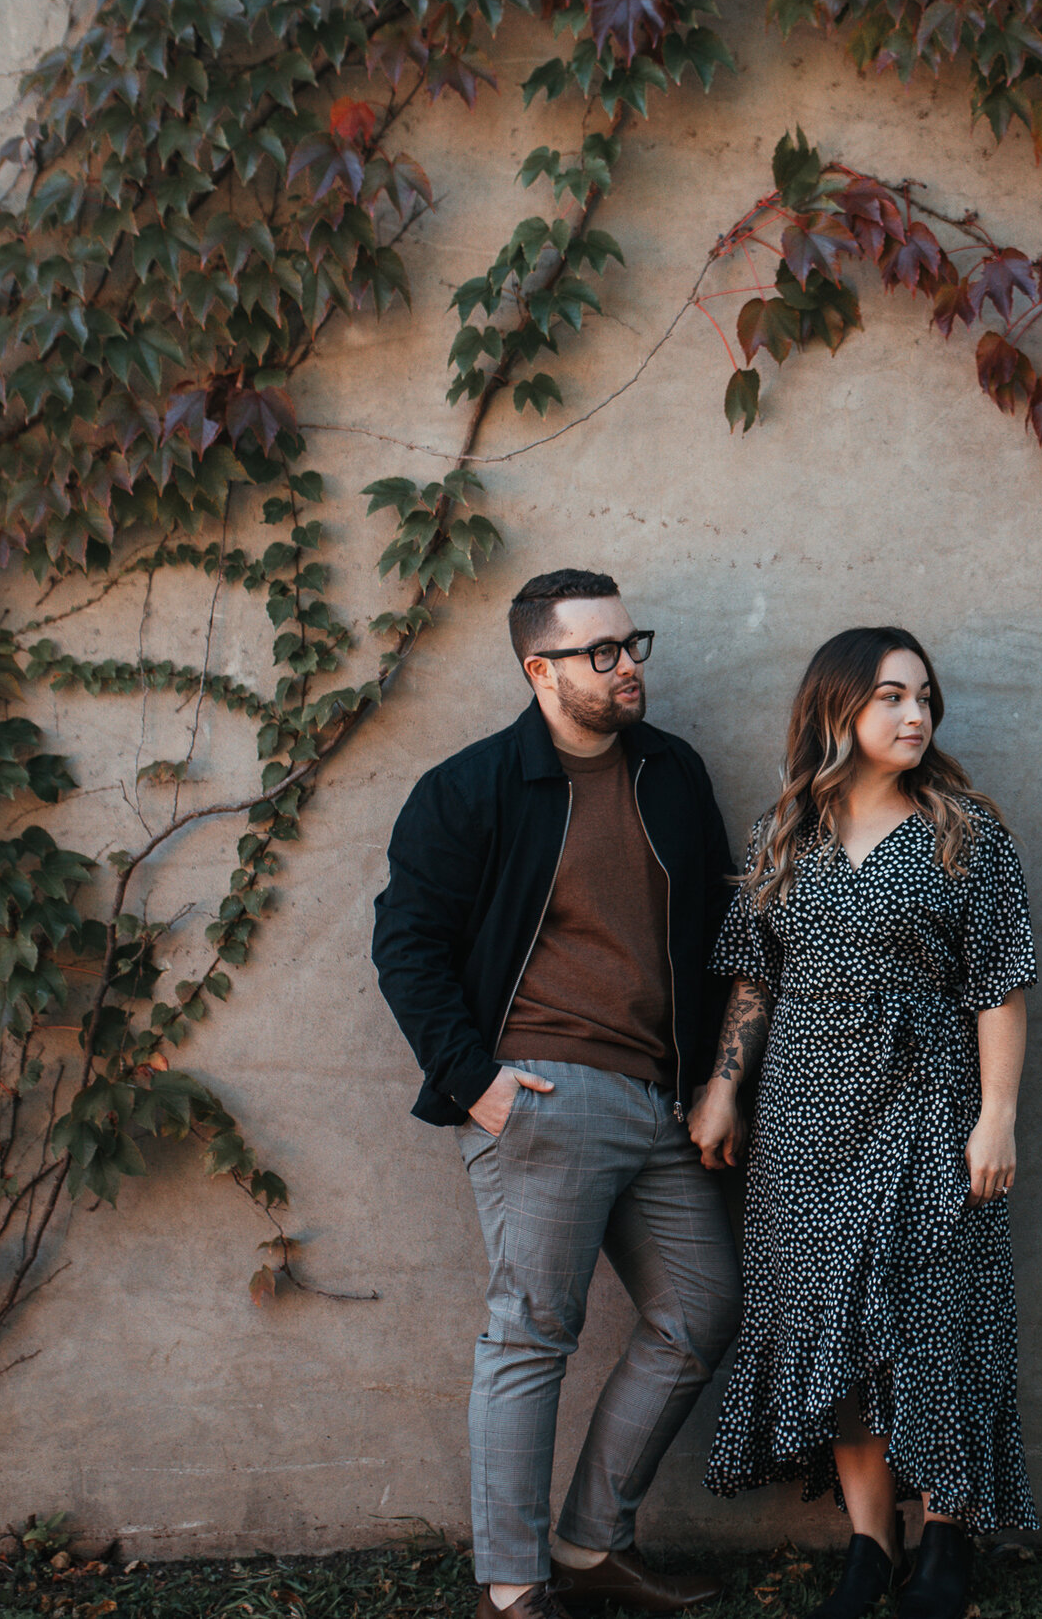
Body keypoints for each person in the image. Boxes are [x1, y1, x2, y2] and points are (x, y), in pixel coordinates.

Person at [372, 570, 740, 1619]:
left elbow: (717, 939)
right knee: (532, 1331)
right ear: (540, 670)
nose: (628, 667)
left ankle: (588, 1544)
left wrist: (718, 1082)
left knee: (701, 1311)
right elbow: (407, 947)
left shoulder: (671, 772)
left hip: (660, 1097)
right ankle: (511, 1587)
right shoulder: (472, 788)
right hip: (544, 1089)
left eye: (633, 644)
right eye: (601, 653)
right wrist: (478, 1083)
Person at [688, 626, 1039, 1619]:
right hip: (804, 1114)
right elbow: (757, 970)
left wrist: (998, 1117)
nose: (915, 714)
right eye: (890, 695)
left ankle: (947, 1536)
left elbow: (1000, 986)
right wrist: (723, 1084)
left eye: (924, 696)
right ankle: (867, 1543)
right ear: (835, 706)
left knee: (935, 1316)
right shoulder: (784, 832)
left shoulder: (964, 831)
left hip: (932, 1102)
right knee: (829, 1328)